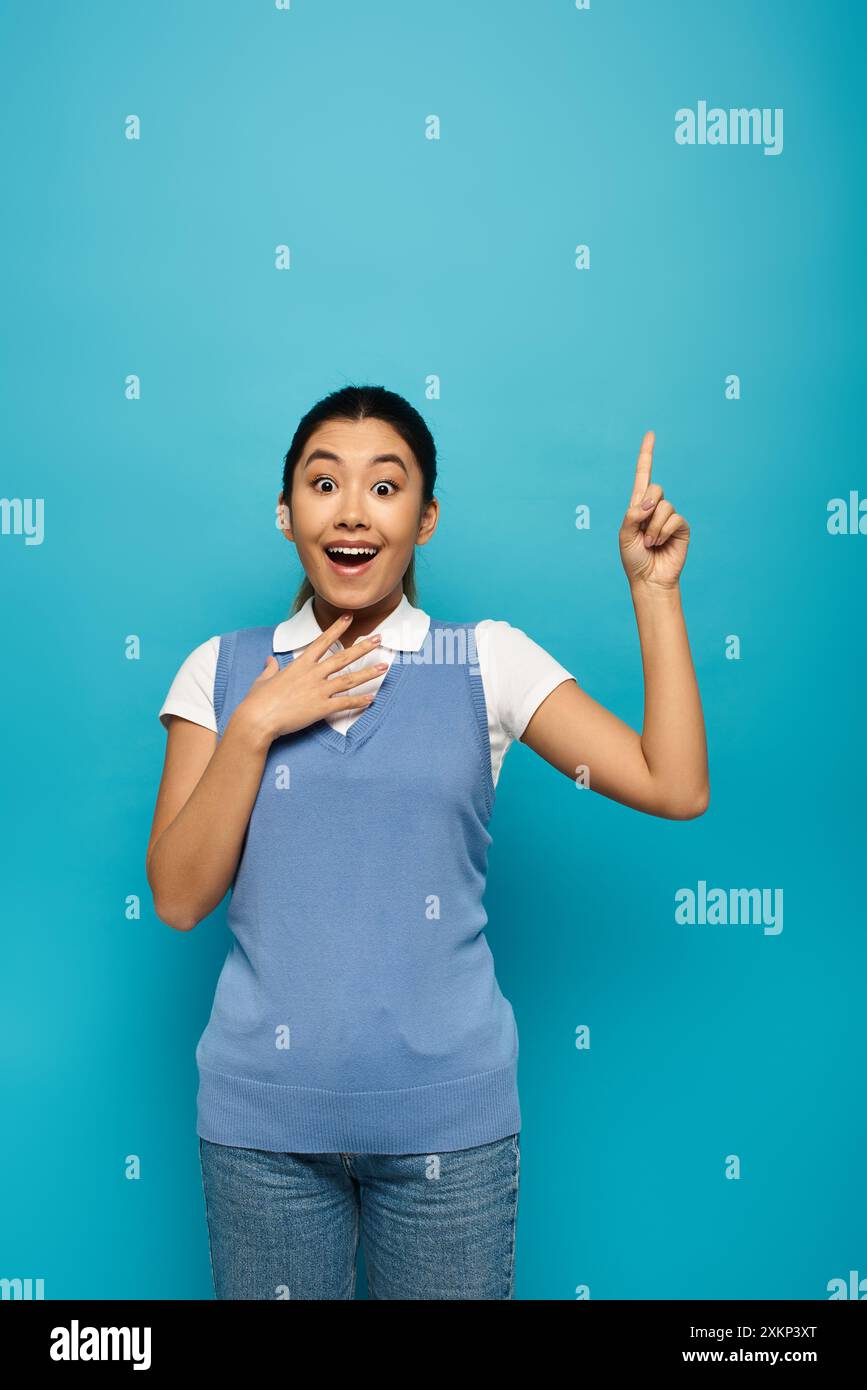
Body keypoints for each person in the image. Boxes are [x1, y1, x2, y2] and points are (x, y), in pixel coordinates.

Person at [146, 384, 709, 1300]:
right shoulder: (222, 670)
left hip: (452, 1136)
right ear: (286, 513)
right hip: (262, 1136)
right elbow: (177, 897)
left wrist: (653, 594)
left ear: (426, 517)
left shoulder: (484, 660)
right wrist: (255, 724)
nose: (353, 511)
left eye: (386, 485)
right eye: (323, 484)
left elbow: (673, 784)